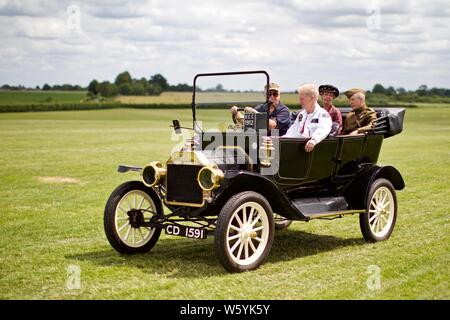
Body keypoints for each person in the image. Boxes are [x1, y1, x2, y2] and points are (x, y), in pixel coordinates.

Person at [283, 84, 332, 152]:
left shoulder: (322, 114)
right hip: (297, 149)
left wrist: (314, 140)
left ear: (312, 98)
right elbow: (292, 132)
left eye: (302, 99)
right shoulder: (301, 115)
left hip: (312, 151)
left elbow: (324, 129)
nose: (300, 102)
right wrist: (280, 140)